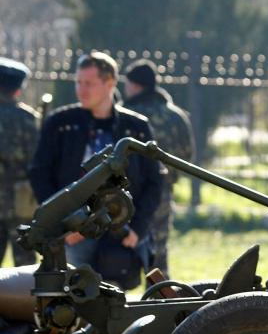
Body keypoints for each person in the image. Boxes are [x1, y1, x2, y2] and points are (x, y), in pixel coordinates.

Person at [29, 51, 161, 290]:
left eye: (88, 83)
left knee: (115, 306)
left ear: (110, 83)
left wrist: (138, 229)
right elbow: (40, 173)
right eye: (78, 82)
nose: (81, 90)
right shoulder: (60, 124)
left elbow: (154, 181)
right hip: (72, 234)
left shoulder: (136, 127)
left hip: (121, 230)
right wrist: (61, 224)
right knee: (72, 298)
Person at [123, 58, 194, 277]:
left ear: (135, 85)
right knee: (159, 253)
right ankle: (160, 300)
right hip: (163, 191)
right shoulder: (175, 116)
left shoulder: (125, 115)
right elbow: (186, 155)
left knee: (122, 249)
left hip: (127, 194)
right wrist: (169, 178)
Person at [0, 58, 39, 266]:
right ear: (17, 90)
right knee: (24, 265)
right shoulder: (26, 118)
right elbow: (36, 160)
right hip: (20, 200)